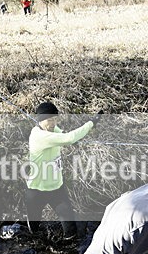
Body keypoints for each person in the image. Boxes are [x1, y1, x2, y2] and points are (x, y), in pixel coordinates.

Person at [25, 102, 96, 240]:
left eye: (55, 119)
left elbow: (63, 134)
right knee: (33, 232)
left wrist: (64, 134)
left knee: (71, 232)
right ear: (40, 120)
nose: (53, 123)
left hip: (57, 189)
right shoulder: (39, 136)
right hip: (36, 192)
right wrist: (91, 123)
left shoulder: (52, 129)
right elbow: (69, 138)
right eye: (49, 120)